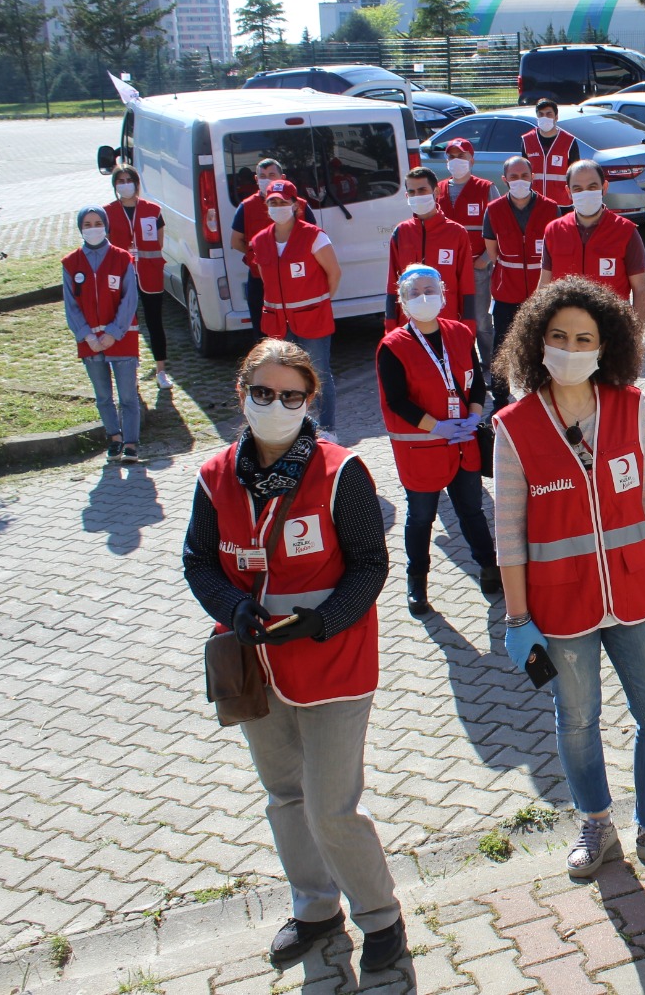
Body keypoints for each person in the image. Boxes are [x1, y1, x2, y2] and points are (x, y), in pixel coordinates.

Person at [182, 338, 405, 973]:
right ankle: (315, 907)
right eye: (263, 393)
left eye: (291, 396)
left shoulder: (341, 472)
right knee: (284, 795)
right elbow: (199, 561)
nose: (276, 405)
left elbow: (370, 566)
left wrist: (324, 620)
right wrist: (232, 609)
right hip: (258, 668)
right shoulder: (216, 476)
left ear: (309, 399)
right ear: (242, 394)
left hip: (333, 664)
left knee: (332, 805)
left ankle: (380, 916)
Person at [492, 279, 645, 879]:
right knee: (577, 719)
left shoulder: (629, 405)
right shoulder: (514, 426)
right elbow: (510, 536)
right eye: (559, 336)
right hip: (559, 607)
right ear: (537, 342)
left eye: (584, 338)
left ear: (606, 346)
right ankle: (596, 823)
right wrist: (517, 620)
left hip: (637, 595)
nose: (570, 347)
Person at [376, 263, 499, 615]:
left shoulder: (460, 333)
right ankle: (417, 582)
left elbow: (475, 379)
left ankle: (489, 567)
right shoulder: (393, 346)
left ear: (443, 293)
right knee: (421, 517)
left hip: (462, 442)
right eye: (414, 293)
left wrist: (475, 415)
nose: (424, 297)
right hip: (423, 447)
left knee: (472, 510)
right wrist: (438, 427)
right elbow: (397, 401)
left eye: (430, 289)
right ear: (402, 302)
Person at [249, 180, 341, 431]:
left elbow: (334, 273)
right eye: (273, 202)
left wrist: (320, 302)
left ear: (295, 204)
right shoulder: (259, 241)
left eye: (283, 201)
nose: (278, 206)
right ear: (266, 206)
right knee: (284, 378)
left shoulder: (314, 236)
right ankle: (292, 428)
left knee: (319, 375)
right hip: (278, 322)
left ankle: (327, 430)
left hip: (313, 319)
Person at [65, 206, 142, 464]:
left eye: (97, 222)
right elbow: (71, 306)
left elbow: (129, 299)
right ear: (80, 229)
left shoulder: (122, 258)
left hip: (121, 339)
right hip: (91, 343)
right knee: (103, 397)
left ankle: (131, 443)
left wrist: (113, 332)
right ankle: (114, 438)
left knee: (128, 395)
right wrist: (87, 336)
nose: (93, 228)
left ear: (106, 225)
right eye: (87, 224)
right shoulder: (70, 263)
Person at [483, 155, 560, 410]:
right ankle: (500, 399)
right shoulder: (493, 210)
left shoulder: (550, 208)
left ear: (533, 177)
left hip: (541, 292)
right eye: (513, 177)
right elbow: (492, 252)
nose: (519, 181)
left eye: (524, 176)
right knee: (501, 347)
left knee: (543, 346)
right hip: (507, 292)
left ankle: (543, 396)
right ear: (505, 180)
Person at [537, 160, 645, 328]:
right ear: (568, 192)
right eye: (578, 189)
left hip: (611, 330)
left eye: (592, 187)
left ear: (604, 187)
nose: (585, 193)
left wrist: (635, 334)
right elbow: (544, 286)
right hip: (566, 331)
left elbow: (640, 288)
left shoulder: (625, 231)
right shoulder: (553, 231)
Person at [385, 166, 475, 333]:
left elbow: (467, 284)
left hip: (447, 323)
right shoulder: (401, 232)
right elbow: (392, 283)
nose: (417, 196)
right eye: (412, 192)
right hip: (409, 324)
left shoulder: (456, 233)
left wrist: (468, 325)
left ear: (436, 192)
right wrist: (390, 324)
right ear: (406, 196)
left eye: (422, 190)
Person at [230, 158, 313, 335]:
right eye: (262, 176)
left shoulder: (301, 205)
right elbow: (236, 241)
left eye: (272, 175)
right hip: (261, 278)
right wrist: (259, 256)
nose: (267, 179)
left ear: (282, 177)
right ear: (256, 179)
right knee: (264, 333)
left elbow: (316, 239)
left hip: (296, 277)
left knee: (299, 331)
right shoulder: (246, 207)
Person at [104, 166, 169, 388]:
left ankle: (161, 370)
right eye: (120, 181)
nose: (124, 184)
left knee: (154, 322)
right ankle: (131, 364)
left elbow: (158, 242)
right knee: (126, 322)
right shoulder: (108, 212)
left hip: (149, 272)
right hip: (122, 275)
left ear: (136, 183)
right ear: (115, 186)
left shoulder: (152, 210)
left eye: (128, 179)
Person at [435, 138, 496, 364]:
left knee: (480, 319)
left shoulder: (485, 188)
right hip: (446, 268)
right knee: (450, 316)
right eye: (451, 157)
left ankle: (489, 364)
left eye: (461, 156)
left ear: (472, 159)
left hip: (477, 268)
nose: (456, 161)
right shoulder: (438, 189)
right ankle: (458, 361)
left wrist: (484, 259)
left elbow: (499, 227)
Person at [521, 99, 579, 208]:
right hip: (535, 202)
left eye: (549, 114)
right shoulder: (527, 140)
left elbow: (575, 173)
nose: (545, 117)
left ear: (556, 117)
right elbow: (524, 171)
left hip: (562, 202)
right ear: (537, 117)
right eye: (541, 114)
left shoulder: (569, 141)